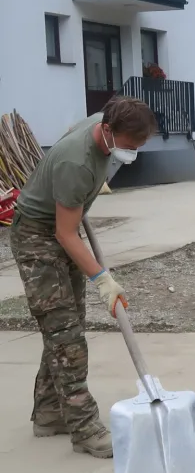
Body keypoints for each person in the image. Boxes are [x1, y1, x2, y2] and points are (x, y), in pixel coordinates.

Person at [10, 97, 157, 458]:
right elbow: (65, 234)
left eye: (139, 146)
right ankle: (85, 427)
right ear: (107, 131)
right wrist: (103, 279)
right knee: (67, 337)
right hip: (37, 239)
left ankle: (49, 413)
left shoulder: (102, 121)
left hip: (61, 229)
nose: (132, 153)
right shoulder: (76, 162)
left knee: (66, 326)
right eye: (128, 146)